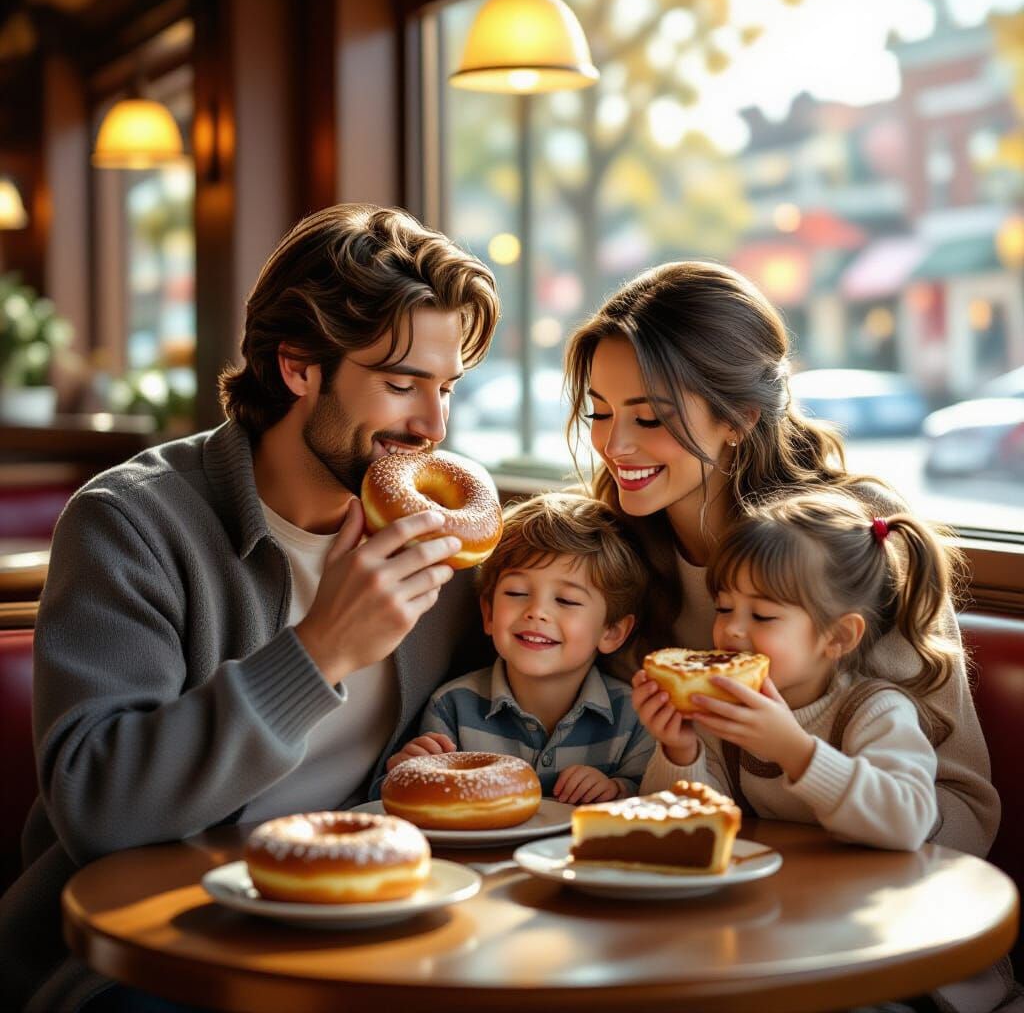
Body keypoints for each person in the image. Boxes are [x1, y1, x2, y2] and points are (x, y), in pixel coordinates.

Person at [0, 204, 500, 1013]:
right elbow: (99, 809)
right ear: (299, 367)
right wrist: (319, 652)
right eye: (401, 383)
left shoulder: (450, 542)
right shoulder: (131, 524)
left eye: (445, 388)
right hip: (152, 956)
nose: (431, 426)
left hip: (367, 935)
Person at [563, 260, 999, 859]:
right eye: (599, 412)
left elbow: (963, 806)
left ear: (740, 417)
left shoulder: (850, 533)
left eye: (649, 417)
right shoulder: (611, 547)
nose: (614, 446)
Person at [634, 489, 957, 851]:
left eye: (762, 616)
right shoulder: (722, 713)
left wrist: (793, 749)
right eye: (724, 608)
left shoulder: (875, 711)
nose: (732, 630)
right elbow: (685, 831)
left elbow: (908, 824)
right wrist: (680, 751)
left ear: (838, 636)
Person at [383, 492, 654, 803]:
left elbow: (652, 798)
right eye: (516, 592)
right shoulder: (453, 706)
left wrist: (617, 789)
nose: (536, 611)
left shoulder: (634, 715)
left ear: (612, 631)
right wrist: (404, 773)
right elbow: (418, 800)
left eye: (566, 600)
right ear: (488, 614)